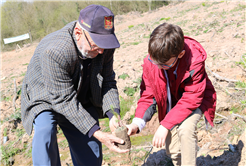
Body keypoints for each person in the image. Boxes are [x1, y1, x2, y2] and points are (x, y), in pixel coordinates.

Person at [21, 4, 129, 166]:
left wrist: (113, 113)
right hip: (45, 96)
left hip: (79, 94)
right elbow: (64, 101)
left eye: (104, 44)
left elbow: (107, 80)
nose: (101, 51)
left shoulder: (103, 47)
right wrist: (97, 132)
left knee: (91, 153)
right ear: (78, 33)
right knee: (45, 131)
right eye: (95, 45)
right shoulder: (55, 52)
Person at [127, 23, 216, 166]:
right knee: (174, 151)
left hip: (194, 101)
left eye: (164, 65)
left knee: (186, 130)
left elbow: (191, 98)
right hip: (171, 105)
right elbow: (148, 95)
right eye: (154, 61)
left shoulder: (195, 61)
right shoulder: (154, 61)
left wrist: (165, 126)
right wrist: (137, 123)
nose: (158, 67)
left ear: (180, 54)